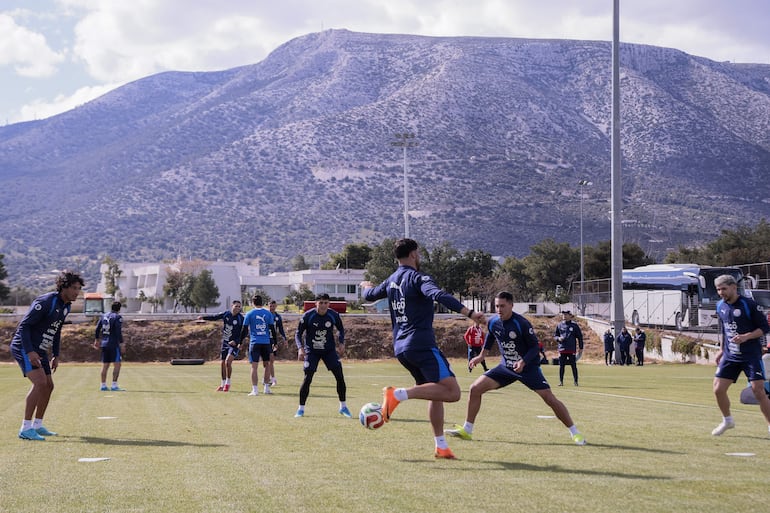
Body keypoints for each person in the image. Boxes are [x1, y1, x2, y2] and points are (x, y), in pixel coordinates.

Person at [363, 238, 485, 459]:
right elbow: (438, 295)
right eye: (418, 253)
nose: (419, 256)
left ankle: (441, 446)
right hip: (421, 344)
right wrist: (469, 313)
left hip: (402, 348)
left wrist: (366, 287)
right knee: (453, 393)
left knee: (435, 393)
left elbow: (370, 296)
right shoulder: (418, 278)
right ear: (413, 254)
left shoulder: (391, 280)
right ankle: (397, 394)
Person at [445, 291, 586, 445]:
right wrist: (481, 356)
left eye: (502, 306)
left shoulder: (521, 323)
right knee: (475, 389)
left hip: (528, 368)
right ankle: (467, 430)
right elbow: (491, 336)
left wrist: (523, 362)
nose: (499, 309)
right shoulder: (493, 322)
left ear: (511, 305)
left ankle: (575, 433)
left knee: (549, 398)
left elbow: (534, 347)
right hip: (506, 367)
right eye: (497, 306)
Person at [10, 270, 84, 441]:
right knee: (40, 383)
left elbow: (56, 330)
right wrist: (30, 351)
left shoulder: (66, 306)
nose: (77, 292)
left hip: (40, 349)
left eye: (79, 289)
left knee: (49, 386)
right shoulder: (46, 301)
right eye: (74, 288)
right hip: (24, 347)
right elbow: (24, 326)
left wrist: (56, 354)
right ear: (64, 287)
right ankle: (25, 428)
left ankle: (37, 425)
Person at [710, 274, 770, 436]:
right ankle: (727, 421)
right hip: (730, 356)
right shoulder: (720, 306)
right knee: (718, 389)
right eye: (718, 289)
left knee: (759, 391)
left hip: (750, 355)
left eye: (724, 289)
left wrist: (746, 337)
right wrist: (722, 350)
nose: (721, 292)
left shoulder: (749, 305)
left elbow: (764, 328)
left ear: (734, 287)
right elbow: (724, 329)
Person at [294, 293, 350, 418]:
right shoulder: (308, 316)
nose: (323, 305)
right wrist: (300, 348)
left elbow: (341, 329)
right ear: (316, 303)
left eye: (326, 303)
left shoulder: (333, 315)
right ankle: (300, 409)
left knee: (340, 377)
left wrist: (341, 342)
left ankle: (343, 407)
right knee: (307, 378)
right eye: (321, 303)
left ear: (329, 303)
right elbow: (298, 333)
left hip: (328, 351)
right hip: (312, 351)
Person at [198, 299, 244, 392]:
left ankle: (228, 383)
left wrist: (237, 341)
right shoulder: (226, 314)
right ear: (232, 306)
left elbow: (243, 332)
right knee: (223, 363)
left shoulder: (240, 318)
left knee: (228, 362)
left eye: (239, 307)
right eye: (236, 306)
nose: (238, 308)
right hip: (225, 343)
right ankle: (222, 384)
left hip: (234, 344)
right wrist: (203, 317)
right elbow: (214, 317)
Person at [240, 294, 275, 396]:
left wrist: (240, 341)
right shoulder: (268, 313)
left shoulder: (249, 313)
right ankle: (266, 388)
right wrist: (275, 342)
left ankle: (255, 390)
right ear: (262, 302)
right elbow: (272, 329)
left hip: (255, 342)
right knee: (267, 365)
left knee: (254, 366)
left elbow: (244, 329)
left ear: (253, 303)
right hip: (266, 342)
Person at [93, 301, 125, 391]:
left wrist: (96, 339)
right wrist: (122, 343)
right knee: (117, 364)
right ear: (119, 309)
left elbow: (97, 329)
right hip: (113, 344)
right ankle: (114, 385)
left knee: (105, 365)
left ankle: (103, 385)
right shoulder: (117, 317)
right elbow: (118, 331)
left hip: (104, 343)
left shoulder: (104, 316)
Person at [554, 310, 584, 386]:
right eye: (563, 315)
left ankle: (576, 382)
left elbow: (580, 337)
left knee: (573, 366)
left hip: (571, 349)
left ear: (570, 316)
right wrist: (558, 338)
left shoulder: (574, 326)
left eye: (566, 314)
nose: (564, 316)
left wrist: (581, 347)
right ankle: (561, 382)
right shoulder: (559, 325)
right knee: (561, 366)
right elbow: (555, 336)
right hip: (562, 349)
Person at [268, 300, 288, 386]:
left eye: (273, 306)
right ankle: (270, 378)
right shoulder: (265, 315)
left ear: (276, 306)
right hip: (264, 340)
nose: (272, 308)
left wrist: (284, 338)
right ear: (268, 306)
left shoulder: (277, 317)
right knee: (267, 360)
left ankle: (271, 378)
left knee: (271, 360)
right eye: (270, 306)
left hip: (273, 341)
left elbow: (281, 329)